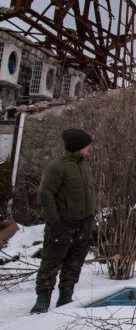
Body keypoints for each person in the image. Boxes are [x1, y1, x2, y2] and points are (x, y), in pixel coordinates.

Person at [30, 129, 95, 314]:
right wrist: (55, 220)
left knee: (75, 262)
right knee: (51, 261)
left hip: (84, 222)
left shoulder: (84, 165)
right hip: (63, 224)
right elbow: (45, 193)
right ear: (78, 147)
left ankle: (66, 296)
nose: (90, 148)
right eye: (87, 145)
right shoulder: (57, 167)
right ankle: (43, 299)